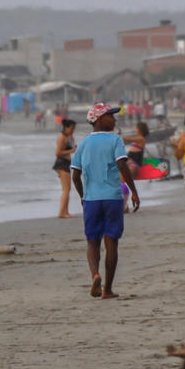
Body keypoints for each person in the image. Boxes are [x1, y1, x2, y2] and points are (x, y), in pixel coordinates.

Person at [71, 102, 140, 299]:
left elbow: (75, 175)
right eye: (111, 115)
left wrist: (82, 196)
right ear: (100, 119)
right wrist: (134, 191)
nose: (115, 119)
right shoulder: (115, 140)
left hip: (91, 200)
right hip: (112, 198)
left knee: (92, 242)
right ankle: (107, 289)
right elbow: (122, 166)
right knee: (112, 243)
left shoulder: (83, 144)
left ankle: (95, 274)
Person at [53, 119, 78, 218]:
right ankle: (61, 212)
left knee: (67, 189)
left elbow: (70, 147)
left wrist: (72, 146)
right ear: (66, 128)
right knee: (66, 190)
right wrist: (71, 150)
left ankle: (65, 212)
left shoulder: (68, 137)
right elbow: (58, 153)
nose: (73, 131)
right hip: (61, 164)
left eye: (74, 129)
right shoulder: (61, 137)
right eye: (71, 129)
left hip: (66, 163)